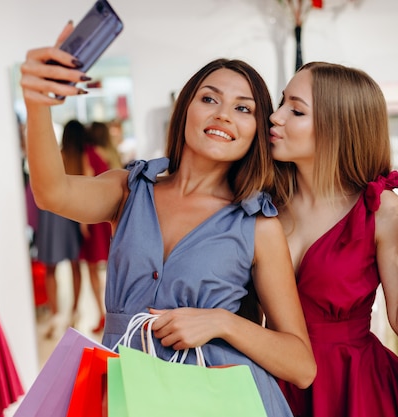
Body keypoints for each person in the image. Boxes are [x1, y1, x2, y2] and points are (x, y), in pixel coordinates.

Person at [19, 22, 316, 417]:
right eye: (210, 99)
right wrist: (38, 104)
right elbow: (52, 193)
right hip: (122, 393)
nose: (224, 115)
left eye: (243, 108)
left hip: (213, 401)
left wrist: (222, 322)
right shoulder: (129, 190)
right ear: (186, 108)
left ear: (256, 132)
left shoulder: (258, 226)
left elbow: (301, 366)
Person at [269, 61, 398, 417]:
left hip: (352, 388)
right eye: (281, 103)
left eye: (295, 110)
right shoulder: (266, 200)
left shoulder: (377, 207)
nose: (275, 117)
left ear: (337, 126)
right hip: (273, 378)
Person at [34, 119, 86, 335]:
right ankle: (74, 310)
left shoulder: (58, 156)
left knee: (50, 267)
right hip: (72, 213)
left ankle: (56, 313)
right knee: (75, 266)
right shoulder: (79, 159)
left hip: (51, 215)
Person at [79, 121, 122, 333]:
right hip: (115, 216)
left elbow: (87, 188)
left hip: (96, 217)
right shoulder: (113, 154)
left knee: (92, 268)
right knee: (115, 266)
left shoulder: (89, 153)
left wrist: (83, 222)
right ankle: (114, 314)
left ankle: (101, 314)